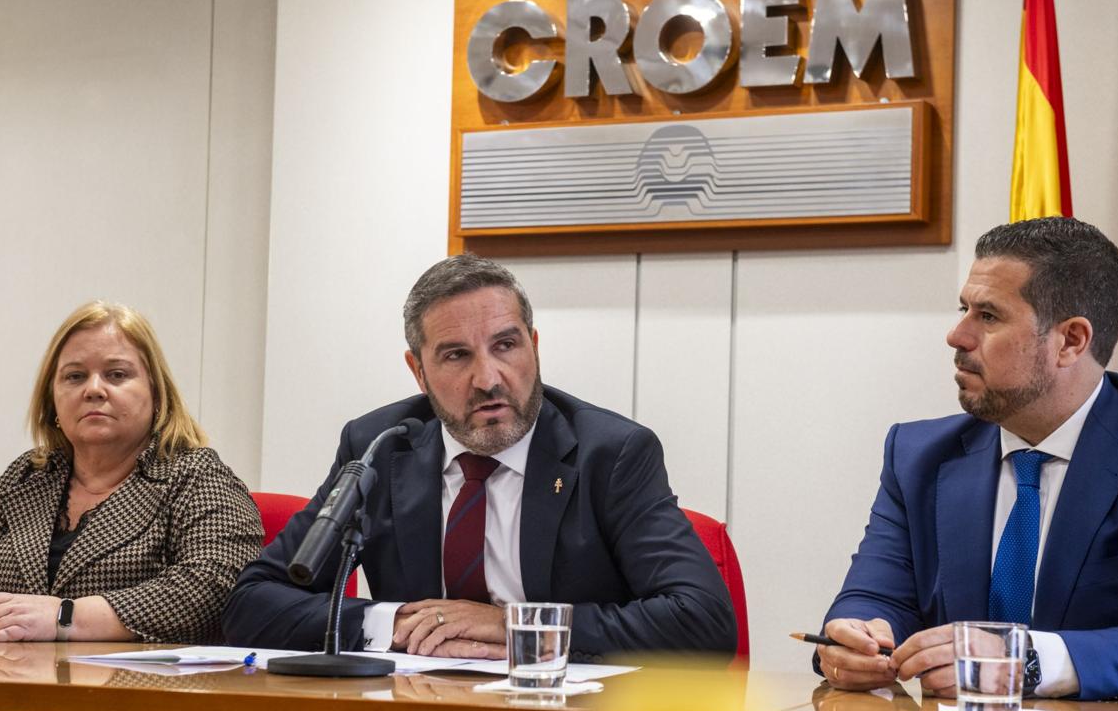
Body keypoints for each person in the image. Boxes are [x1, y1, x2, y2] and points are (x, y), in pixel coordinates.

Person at [223, 254, 736, 659]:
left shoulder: (611, 453)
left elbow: (702, 619)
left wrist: (517, 626)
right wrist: (396, 623)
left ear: (534, 346)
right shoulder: (381, 446)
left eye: (506, 345)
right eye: (456, 355)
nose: (488, 378)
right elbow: (254, 603)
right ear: (418, 372)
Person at [817, 216, 1118, 701]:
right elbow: (878, 596)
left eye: (988, 317)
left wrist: (1028, 661)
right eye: (963, 310)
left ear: (1071, 341)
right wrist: (855, 639)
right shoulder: (919, 456)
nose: (957, 335)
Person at [0, 301, 263, 644]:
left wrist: (65, 618)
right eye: (75, 376)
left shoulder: (197, 476)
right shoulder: (27, 475)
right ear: (52, 400)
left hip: (136, 690)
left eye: (117, 375)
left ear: (156, 394)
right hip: (1, 687)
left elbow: (215, 587)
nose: (94, 389)